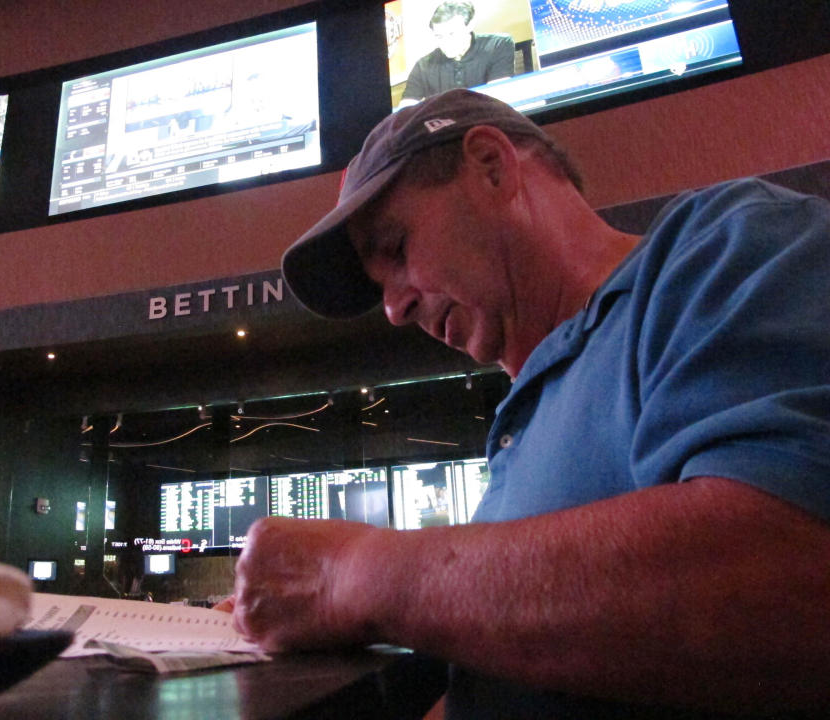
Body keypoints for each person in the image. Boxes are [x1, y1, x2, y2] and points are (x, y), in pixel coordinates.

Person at [224, 89, 830, 718]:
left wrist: (349, 576)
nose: (394, 309)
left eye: (398, 249)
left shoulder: (726, 244)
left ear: (492, 166)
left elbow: (796, 572)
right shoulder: (521, 424)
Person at [399, 1, 516, 107]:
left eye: (452, 34)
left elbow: (498, 101)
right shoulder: (423, 66)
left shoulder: (498, 45)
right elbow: (405, 110)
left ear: (470, 25)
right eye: (439, 37)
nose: (446, 43)